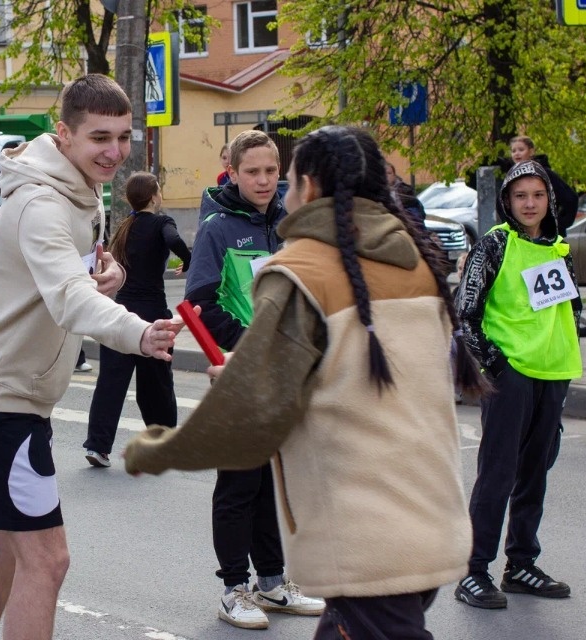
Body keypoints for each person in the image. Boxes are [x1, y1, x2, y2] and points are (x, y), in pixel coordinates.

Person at [125, 125, 486, 638]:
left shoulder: (303, 268)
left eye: (287, 177)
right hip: (431, 513)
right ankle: (250, 581)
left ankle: (263, 580)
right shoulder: (415, 257)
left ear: (311, 187)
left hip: (363, 530)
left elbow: (254, 407)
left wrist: (158, 448)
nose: (278, 187)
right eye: (261, 172)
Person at [0, 74, 182, 640]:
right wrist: (138, 332)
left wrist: (111, 274)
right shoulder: (42, 204)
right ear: (64, 134)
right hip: (4, 399)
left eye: (124, 137)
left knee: (8, 552)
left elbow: (71, 279)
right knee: (47, 561)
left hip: (7, 390)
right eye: (100, 137)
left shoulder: (75, 186)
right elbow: (69, 297)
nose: (114, 151)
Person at [182, 128, 324, 630]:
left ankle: (271, 582)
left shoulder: (290, 224)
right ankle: (232, 588)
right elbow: (201, 299)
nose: (264, 181)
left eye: (270, 171)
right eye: (253, 172)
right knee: (239, 483)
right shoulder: (218, 227)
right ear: (234, 172)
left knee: (269, 483)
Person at [453, 160, 582, 610]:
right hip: (511, 375)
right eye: (521, 196)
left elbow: (570, 306)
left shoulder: (558, 248)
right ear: (507, 201)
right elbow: (464, 313)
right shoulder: (494, 245)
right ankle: (473, 570)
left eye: (539, 195)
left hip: (554, 372)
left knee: (535, 472)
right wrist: (495, 365)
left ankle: (522, 563)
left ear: (549, 201)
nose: (530, 204)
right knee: (499, 473)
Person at [82, 172, 191, 467]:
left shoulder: (125, 226)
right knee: (156, 383)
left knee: (111, 382)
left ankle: (97, 446)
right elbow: (175, 240)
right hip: (153, 317)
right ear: (155, 196)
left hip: (121, 315)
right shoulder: (162, 222)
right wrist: (189, 259)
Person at [509, 135, 578, 234]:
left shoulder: (545, 173)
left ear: (531, 151)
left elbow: (571, 199)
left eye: (521, 149)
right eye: (513, 151)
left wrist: (557, 225)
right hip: (521, 235)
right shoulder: (512, 176)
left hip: (546, 236)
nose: (517, 154)